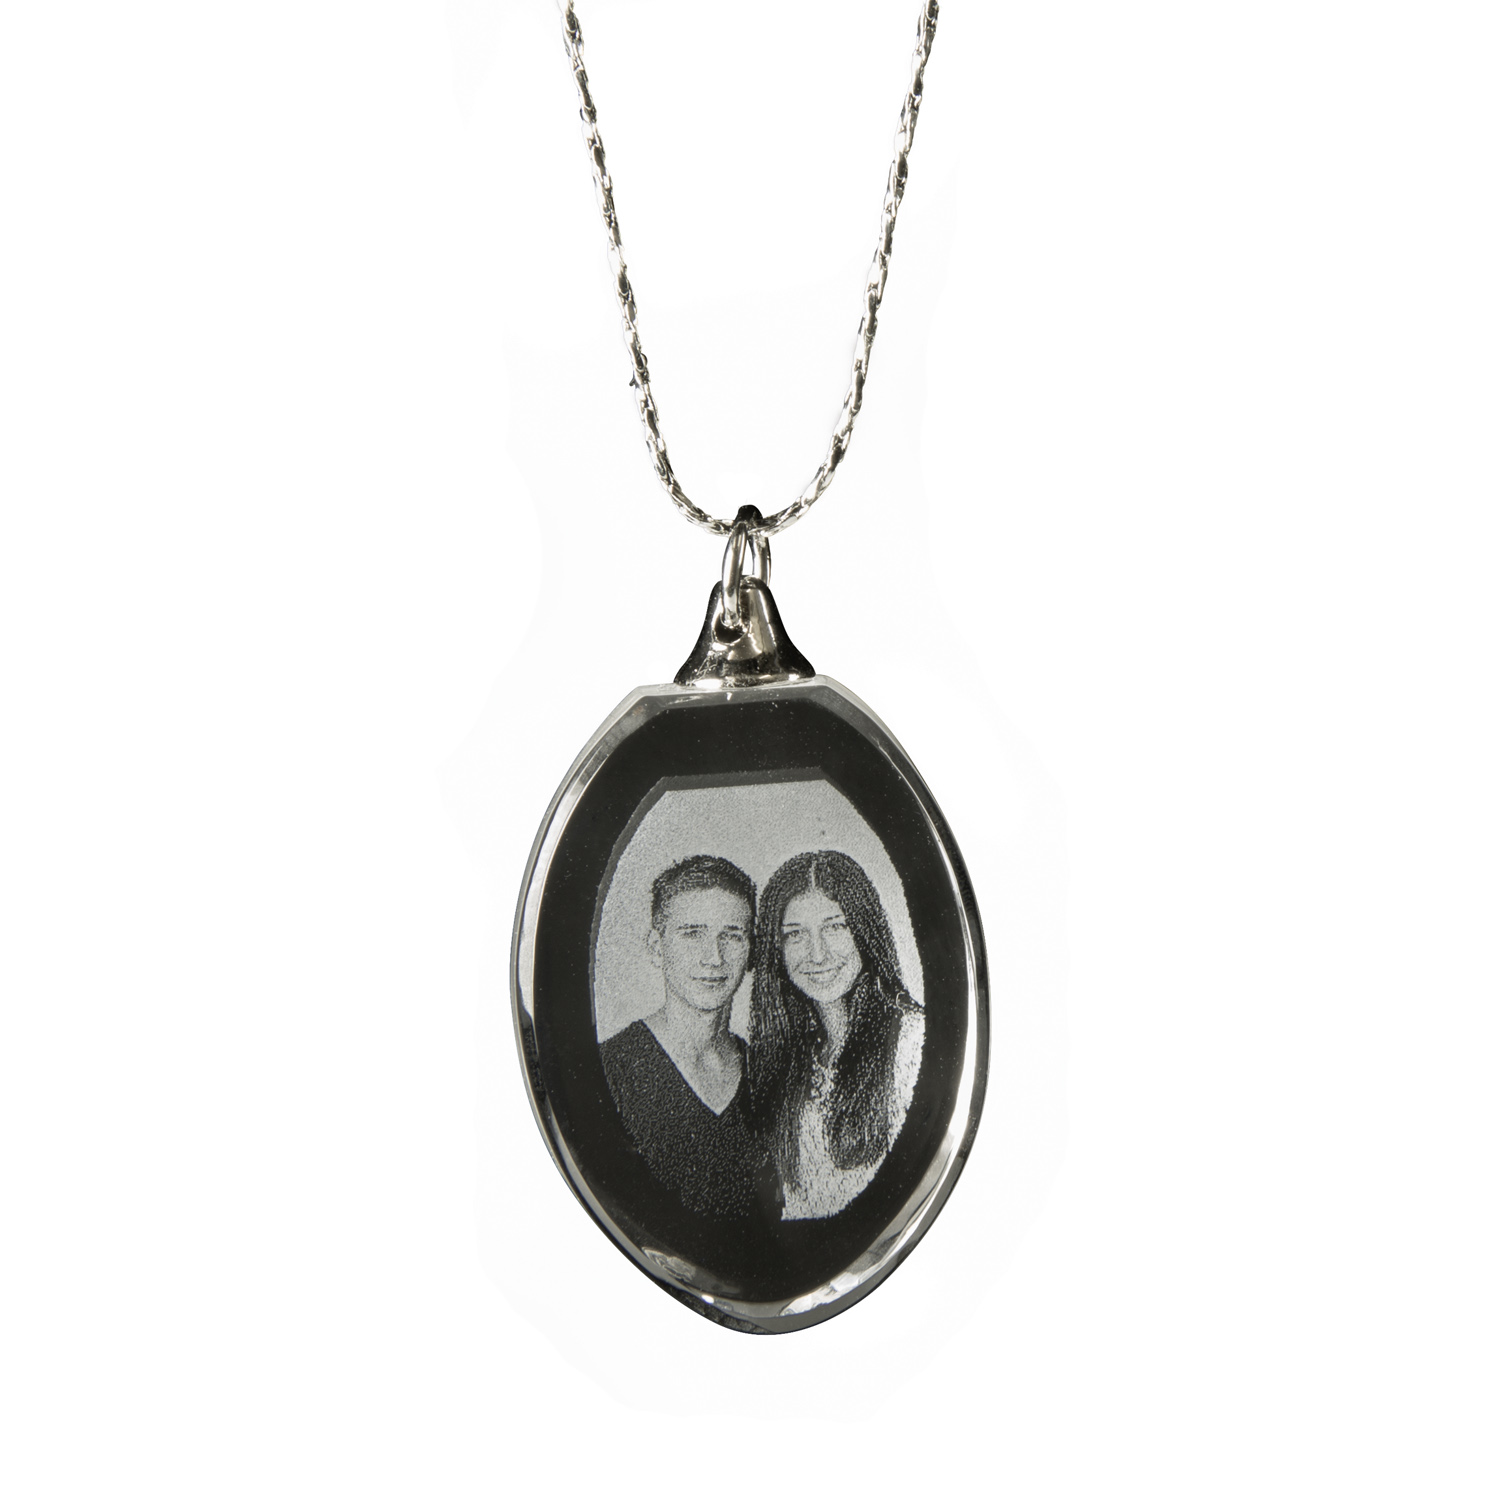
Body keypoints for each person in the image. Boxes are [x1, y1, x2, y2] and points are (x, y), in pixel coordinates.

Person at [747, 851, 924, 1220]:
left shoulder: (910, 1040)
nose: (817, 954)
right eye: (795, 934)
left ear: (864, 929)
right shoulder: (791, 1059)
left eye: (835, 927)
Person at [599, 854, 766, 1218]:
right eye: (692, 934)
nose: (714, 958)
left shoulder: (766, 1074)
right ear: (657, 948)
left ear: (752, 950)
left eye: (732, 935)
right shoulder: (609, 1070)